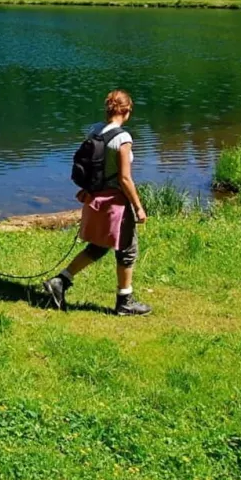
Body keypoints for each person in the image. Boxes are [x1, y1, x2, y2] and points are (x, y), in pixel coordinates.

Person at [43, 90, 152, 316]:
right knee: (127, 249)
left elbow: (90, 164)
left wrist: (86, 189)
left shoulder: (95, 131)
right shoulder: (123, 139)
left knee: (100, 246)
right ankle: (125, 301)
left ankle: (61, 281)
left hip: (95, 199)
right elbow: (124, 178)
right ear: (127, 111)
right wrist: (139, 207)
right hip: (115, 203)